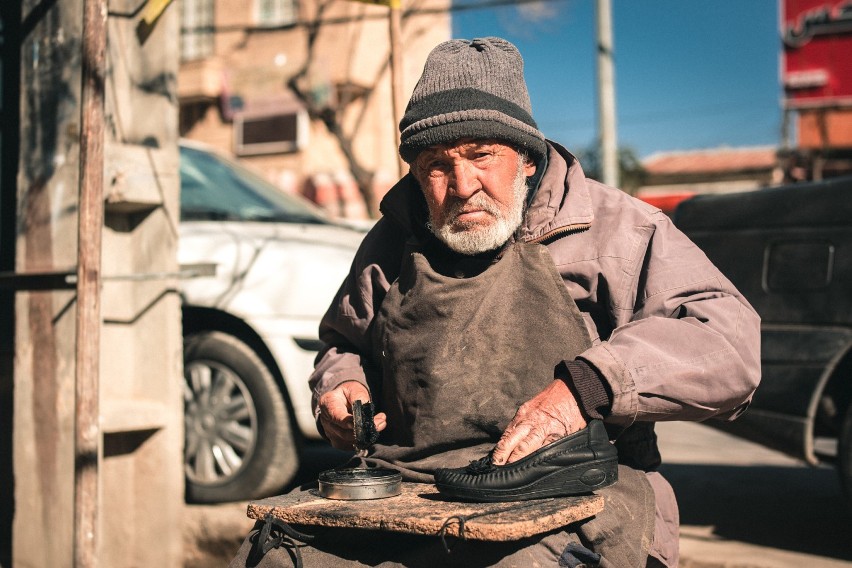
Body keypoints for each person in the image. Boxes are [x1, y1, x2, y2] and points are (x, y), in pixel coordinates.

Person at [231, 36, 761, 568]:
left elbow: (728, 342)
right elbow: (344, 344)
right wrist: (341, 387)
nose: (462, 185)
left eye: (481, 155)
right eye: (437, 165)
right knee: (272, 556)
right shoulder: (392, 241)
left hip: (574, 490)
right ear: (416, 174)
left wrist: (590, 385)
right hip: (411, 493)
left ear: (527, 158)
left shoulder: (619, 231)